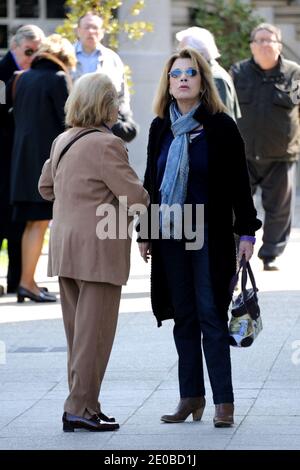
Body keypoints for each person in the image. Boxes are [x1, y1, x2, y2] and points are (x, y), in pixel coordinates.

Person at [138, 47, 261, 427]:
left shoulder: (221, 126)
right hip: (171, 234)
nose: (184, 79)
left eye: (191, 73)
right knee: (183, 316)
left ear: (202, 81)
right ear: (169, 83)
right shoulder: (161, 126)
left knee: (210, 314)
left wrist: (246, 232)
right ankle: (190, 396)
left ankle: (224, 402)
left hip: (210, 235)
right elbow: (151, 183)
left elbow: (241, 184)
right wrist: (145, 231)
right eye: (177, 74)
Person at [38, 72, 149, 432]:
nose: (118, 107)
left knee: (79, 337)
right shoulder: (107, 144)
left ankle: (88, 404)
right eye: (115, 100)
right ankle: (78, 408)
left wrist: (77, 201)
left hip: (66, 248)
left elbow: (45, 186)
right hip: (99, 252)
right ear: (105, 105)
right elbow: (134, 197)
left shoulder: (63, 140)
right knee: (95, 336)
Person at [9, 34, 76, 303]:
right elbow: (69, 120)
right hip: (43, 162)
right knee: (39, 223)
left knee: (31, 224)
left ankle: (28, 281)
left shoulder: (22, 78)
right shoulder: (57, 79)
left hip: (22, 162)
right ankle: (27, 283)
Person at [231, 23, 300, 271]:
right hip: (243, 155)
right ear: (251, 45)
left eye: (269, 40)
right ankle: (236, 251)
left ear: (279, 45)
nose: (264, 44)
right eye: (258, 40)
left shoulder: (294, 74)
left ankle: (270, 253)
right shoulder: (238, 72)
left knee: (279, 210)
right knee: (237, 207)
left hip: (280, 154)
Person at [0, 24, 45, 295]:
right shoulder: (2, 73)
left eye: (37, 52)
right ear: (15, 46)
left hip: (20, 159)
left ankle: (18, 280)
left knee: (18, 220)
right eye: (29, 51)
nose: (32, 57)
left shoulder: (33, 76)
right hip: (3, 156)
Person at [73, 11, 138, 143]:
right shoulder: (67, 56)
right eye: (87, 27)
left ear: (102, 32)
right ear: (78, 30)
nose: (91, 31)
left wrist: (125, 118)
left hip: (106, 128)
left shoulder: (113, 59)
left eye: (95, 27)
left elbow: (122, 94)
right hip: (74, 127)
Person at [176, 26, 240, 121]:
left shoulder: (216, 78)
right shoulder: (202, 75)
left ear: (199, 54)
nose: (179, 58)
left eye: (183, 53)